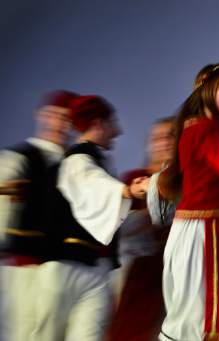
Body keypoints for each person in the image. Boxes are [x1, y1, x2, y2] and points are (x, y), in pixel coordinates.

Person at [149, 63, 219, 341]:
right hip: (204, 237)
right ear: (206, 89)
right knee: (197, 322)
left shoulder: (212, 130)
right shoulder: (202, 130)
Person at [32, 95, 147, 340]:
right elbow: (92, 183)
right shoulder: (77, 160)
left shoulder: (99, 161)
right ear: (99, 123)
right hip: (64, 269)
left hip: (97, 272)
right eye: (112, 122)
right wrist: (126, 191)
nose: (118, 130)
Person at [0, 90, 78, 341]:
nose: (59, 124)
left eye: (66, 119)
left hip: (65, 268)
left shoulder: (76, 163)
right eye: (54, 116)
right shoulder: (18, 157)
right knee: (25, 331)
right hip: (25, 266)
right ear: (41, 116)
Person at [107, 116, 177, 341]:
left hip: (176, 272)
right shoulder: (134, 180)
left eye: (170, 137)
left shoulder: (187, 181)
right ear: (149, 144)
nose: (164, 142)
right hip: (137, 273)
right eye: (157, 138)